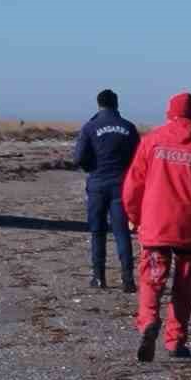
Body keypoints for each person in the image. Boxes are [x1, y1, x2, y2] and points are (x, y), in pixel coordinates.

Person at [122, 92, 191, 361]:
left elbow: (134, 183)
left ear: (170, 113)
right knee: (184, 285)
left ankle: (148, 321)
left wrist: (132, 214)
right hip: (189, 227)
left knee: (151, 279)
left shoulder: (152, 141)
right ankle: (175, 340)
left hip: (156, 224)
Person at [72, 89, 139, 291]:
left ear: (99, 104)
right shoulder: (128, 127)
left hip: (98, 184)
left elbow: (78, 157)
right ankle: (128, 279)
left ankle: (99, 277)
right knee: (122, 232)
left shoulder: (90, 126)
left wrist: (91, 167)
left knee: (98, 231)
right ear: (116, 104)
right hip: (121, 185)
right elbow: (139, 158)